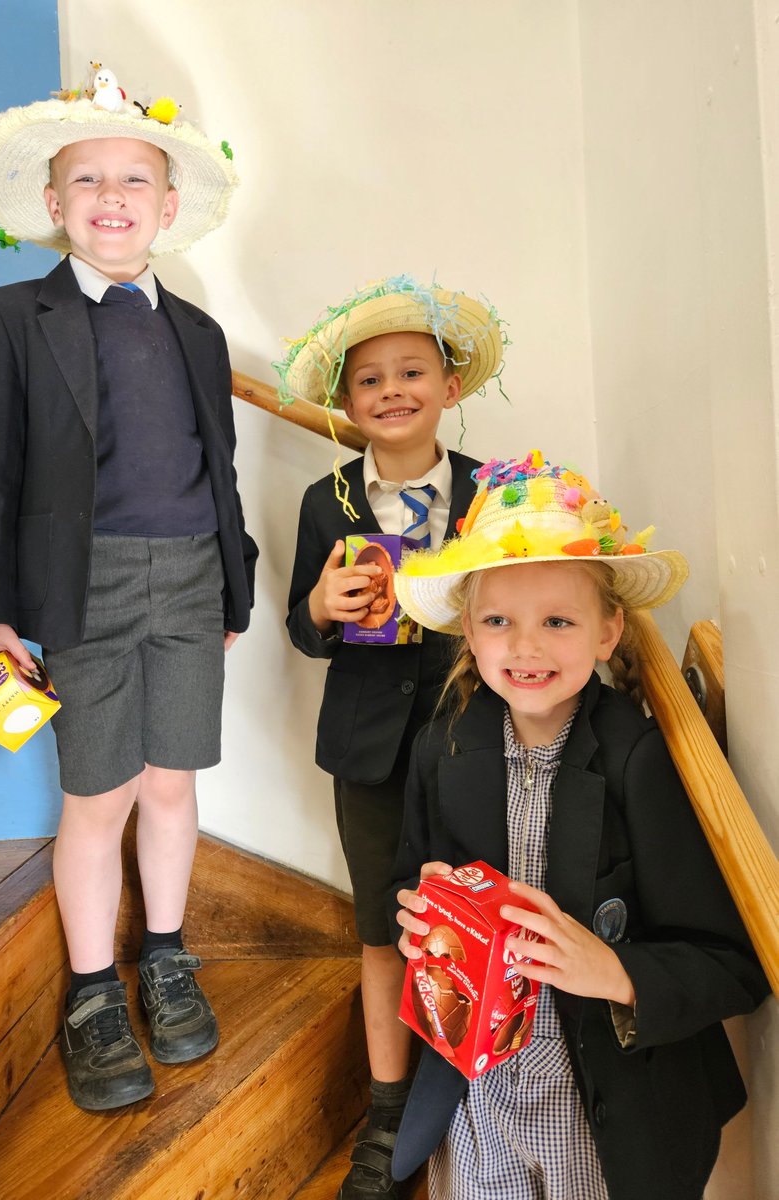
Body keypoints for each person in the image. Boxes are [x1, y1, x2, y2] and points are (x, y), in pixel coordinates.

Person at [0, 66, 258, 1112]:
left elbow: (220, 464)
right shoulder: (14, 315)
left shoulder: (200, 331)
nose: (112, 196)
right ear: (54, 203)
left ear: (168, 208)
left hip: (195, 580)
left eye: (134, 179)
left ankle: (164, 956)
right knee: (99, 793)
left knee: (173, 782)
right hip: (84, 587)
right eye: (89, 181)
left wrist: (232, 590)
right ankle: (90, 991)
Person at [391, 451, 769, 1200]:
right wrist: (418, 907)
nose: (525, 647)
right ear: (469, 630)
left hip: (601, 1113)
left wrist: (617, 972)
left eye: (557, 620)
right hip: (481, 1104)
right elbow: (411, 872)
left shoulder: (638, 761)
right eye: (499, 621)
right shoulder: (445, 743)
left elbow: (731, 962)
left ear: (606, 632)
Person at [280, 277, 505, 1199]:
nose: (392, 390)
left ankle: (483, 1086)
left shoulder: (496, 491)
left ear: (451, 386)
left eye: (413, 371)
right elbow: (301, 626)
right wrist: (322, 609)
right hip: (367, 752)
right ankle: (385, 1111)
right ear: (344, 405)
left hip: (473, 740)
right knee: (383, 930)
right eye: (369, 380)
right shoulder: (325, 498)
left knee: (479, 921)